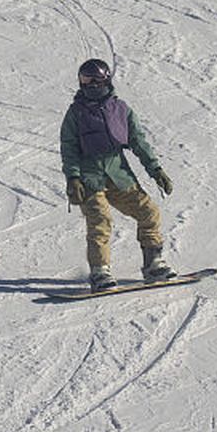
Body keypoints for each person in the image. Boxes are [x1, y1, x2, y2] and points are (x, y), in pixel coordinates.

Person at [61, 58, 174, 291]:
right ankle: (100, 271)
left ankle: (153, 263)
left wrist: (156, 170)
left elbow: (138, 141)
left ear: (105, 80)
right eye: (84, 80)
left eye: (94, 80)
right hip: (89, 178)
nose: (89, 85)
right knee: (100, 220)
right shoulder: (76, 114)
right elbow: (68, 147)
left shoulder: (120, 109)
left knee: (148, 212)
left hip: (119, 175)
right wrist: (73, 178)